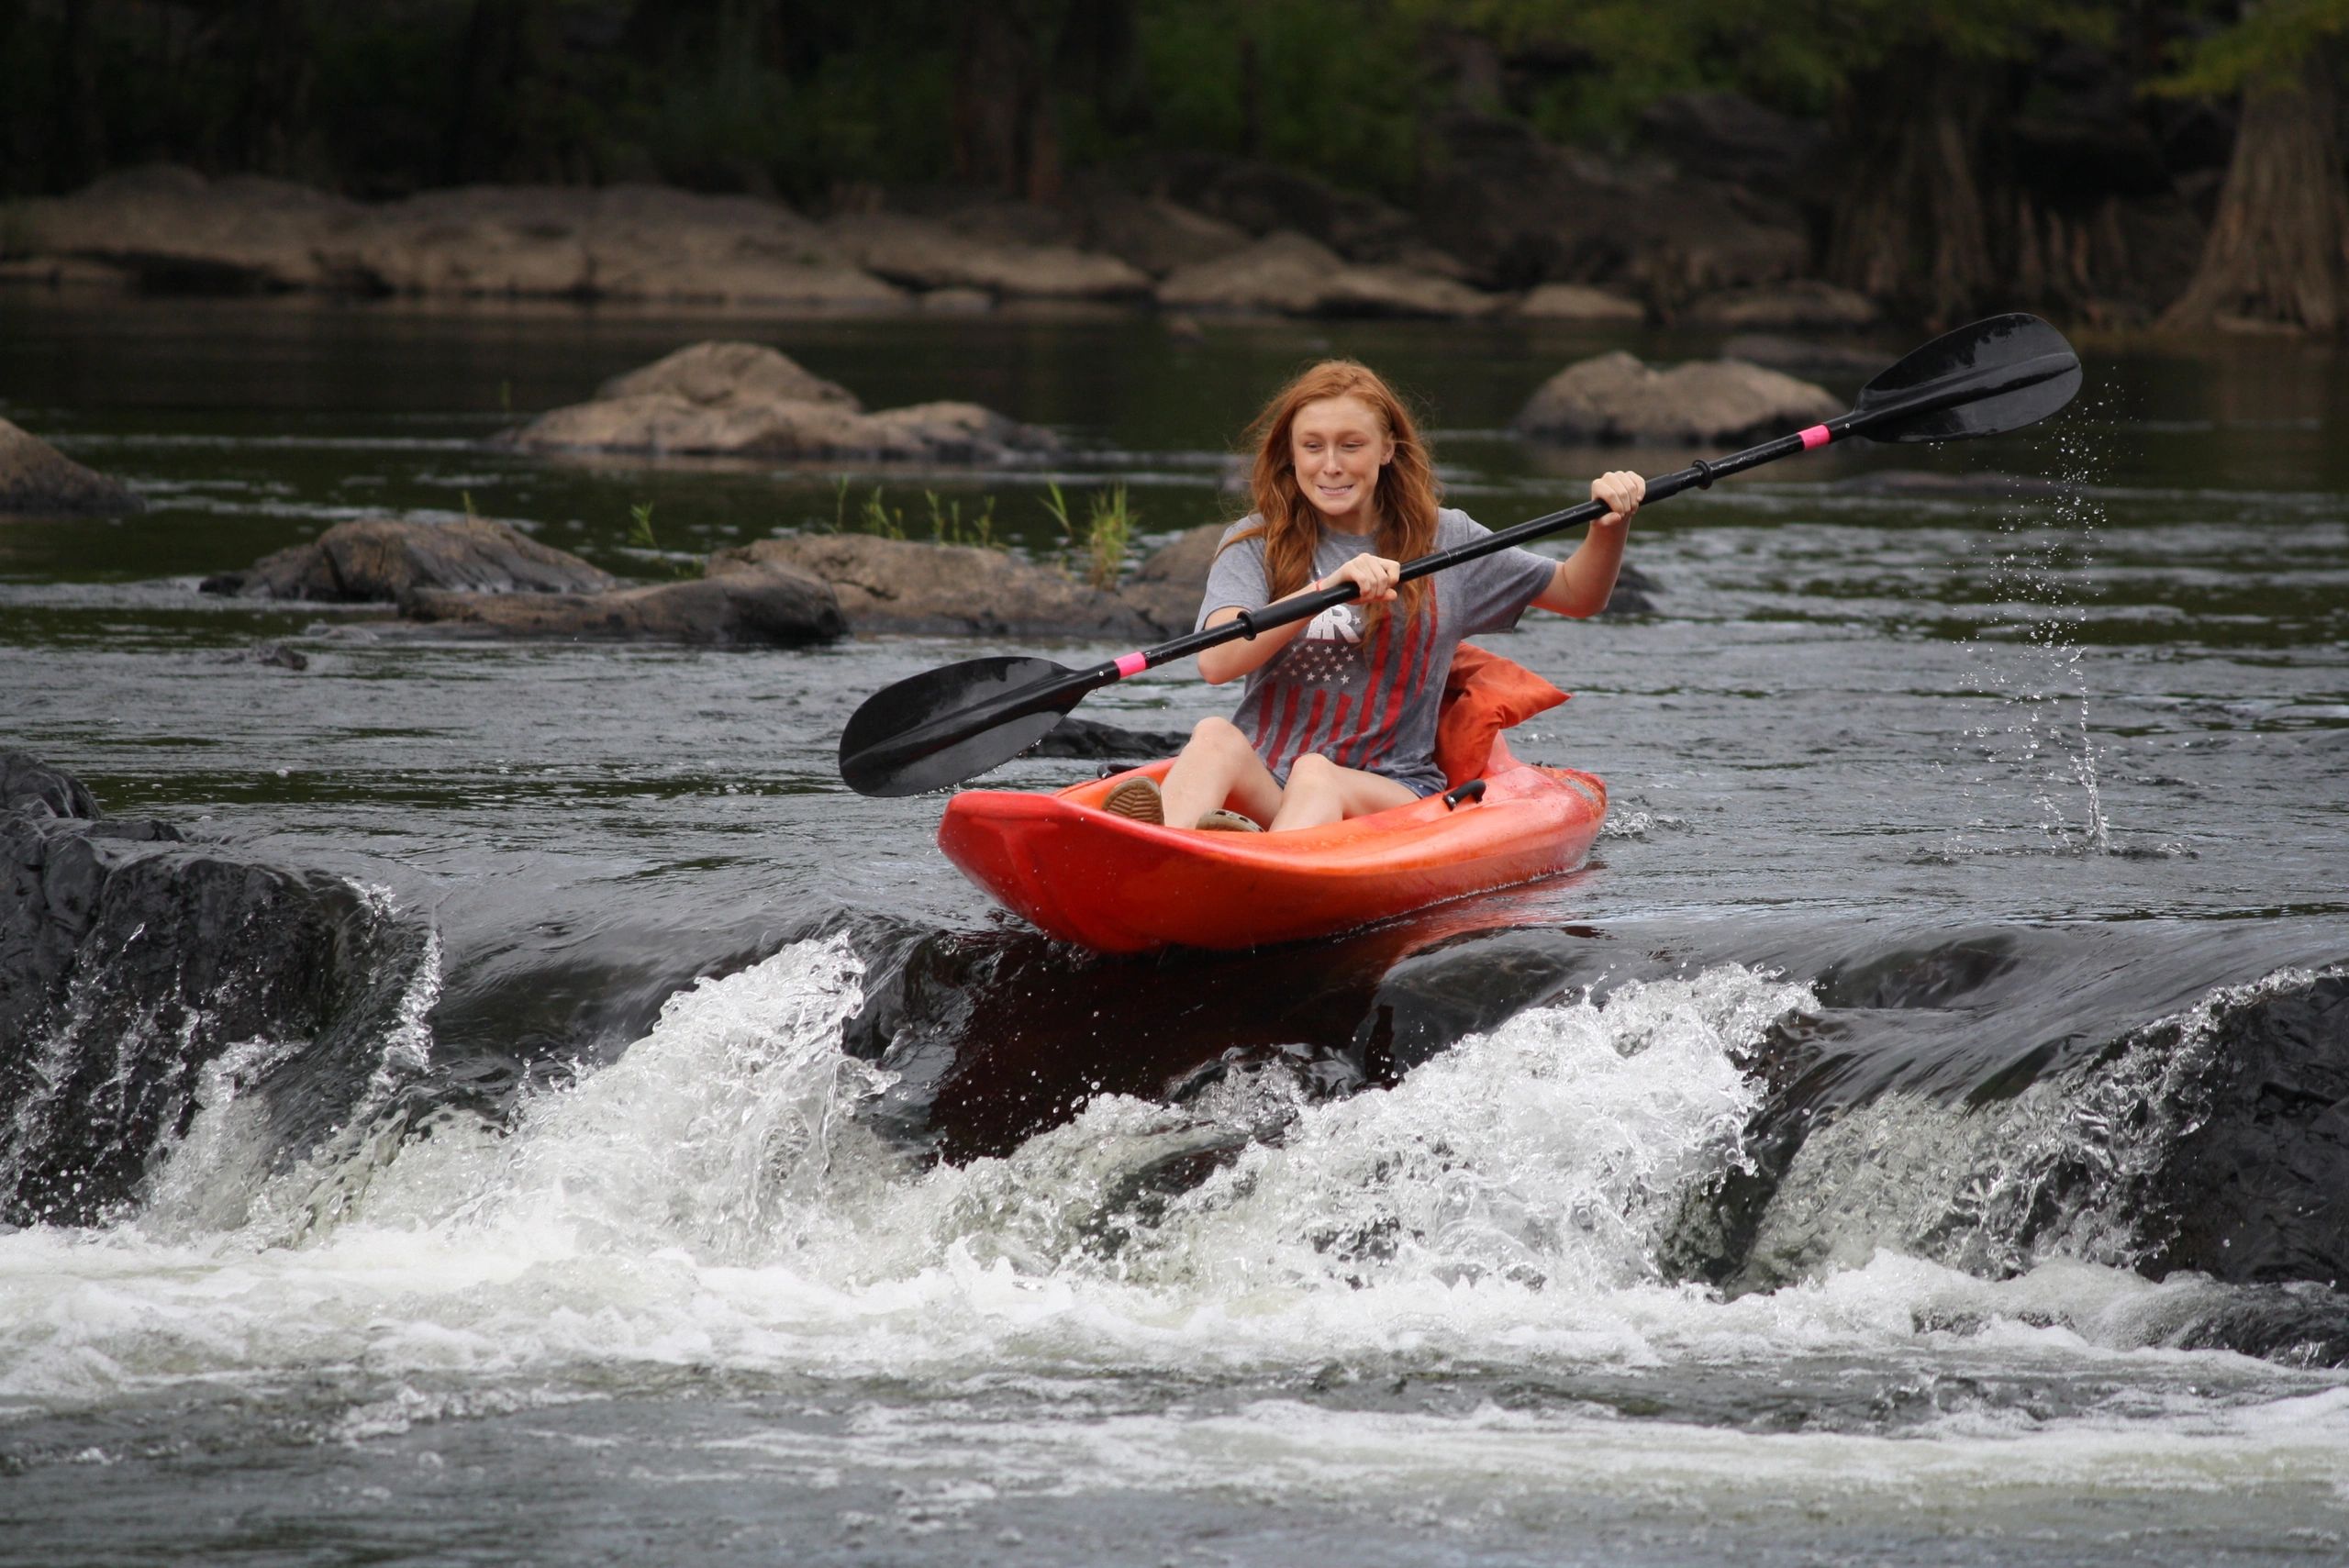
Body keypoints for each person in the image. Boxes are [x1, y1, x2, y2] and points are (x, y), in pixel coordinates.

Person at [1102, 359, 1642, 834]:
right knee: (1215, 734)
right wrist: (1322, 592)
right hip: (1269, 784)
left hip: (1390, 791)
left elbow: (1577, 594)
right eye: (1312, 446)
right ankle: (1160, 858)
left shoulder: (1447, 539)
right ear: (1290, 454)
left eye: (1351, 445)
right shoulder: (1255, 542)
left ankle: (1256, 872)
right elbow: (1217, 662)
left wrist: (1610, 525)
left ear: (1387, 449)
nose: (1330, 465)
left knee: (1319, 775)